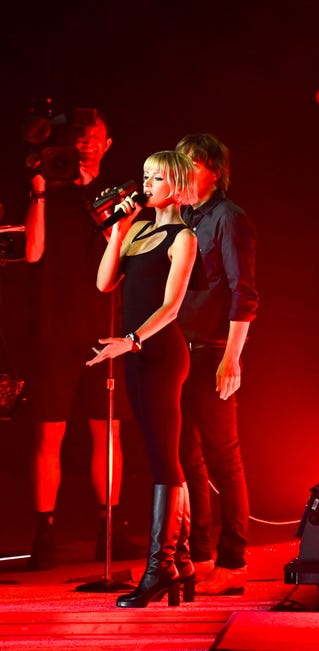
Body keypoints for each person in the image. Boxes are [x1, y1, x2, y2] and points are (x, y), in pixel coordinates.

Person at [22, 108, 140, 569]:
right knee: (47, 436)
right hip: (55, 325)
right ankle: (43, 534)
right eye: (79, 137)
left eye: (95, 137)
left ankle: (107, 529)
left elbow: (118, 245)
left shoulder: (117, 194)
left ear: (107, 144)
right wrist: (38, 194)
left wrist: (91, 187)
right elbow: (33, 254)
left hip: (102, 327)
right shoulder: (48, 190)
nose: (86, 144)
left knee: (106, 432)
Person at [87, 150, 198, 608]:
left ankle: (160, 568)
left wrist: (131, 340)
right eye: (145, 175)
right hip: (135, 353)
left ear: (175, 186)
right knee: (161, 454)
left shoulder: (183, 236)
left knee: (161, 458)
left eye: (156, 177)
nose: (145, 183)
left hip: (160, 353)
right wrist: (116, 233)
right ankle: (183, 562)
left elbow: (171, 308)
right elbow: (103, 284)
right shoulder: (137, 230)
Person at [175, 134, 258, 595]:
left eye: (189, 163)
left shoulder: (229, 219)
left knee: (224, 455)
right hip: (179, 351)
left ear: (210, 168)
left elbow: (244, 292)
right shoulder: (186, 218)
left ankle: (233, 562)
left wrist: (232, 356)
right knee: (188, 455)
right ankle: (201, 553)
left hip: (212, 350)